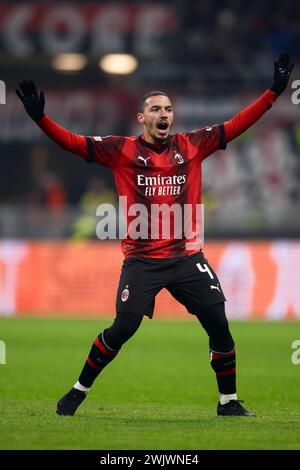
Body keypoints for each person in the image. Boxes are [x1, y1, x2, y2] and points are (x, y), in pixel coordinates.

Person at [16, 53, 294, 417]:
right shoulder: (120, 150)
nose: (164, 114)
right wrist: (40, 118)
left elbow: (238, 123)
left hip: (186, 258)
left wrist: (273, 91)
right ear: (142, 117)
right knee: (123, 328)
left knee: (219, 325)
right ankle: (77, 391)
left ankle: (228, 403)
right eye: (156, 109)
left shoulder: (193, 144)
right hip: (142, 261)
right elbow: (72, 142)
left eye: (168, 109)